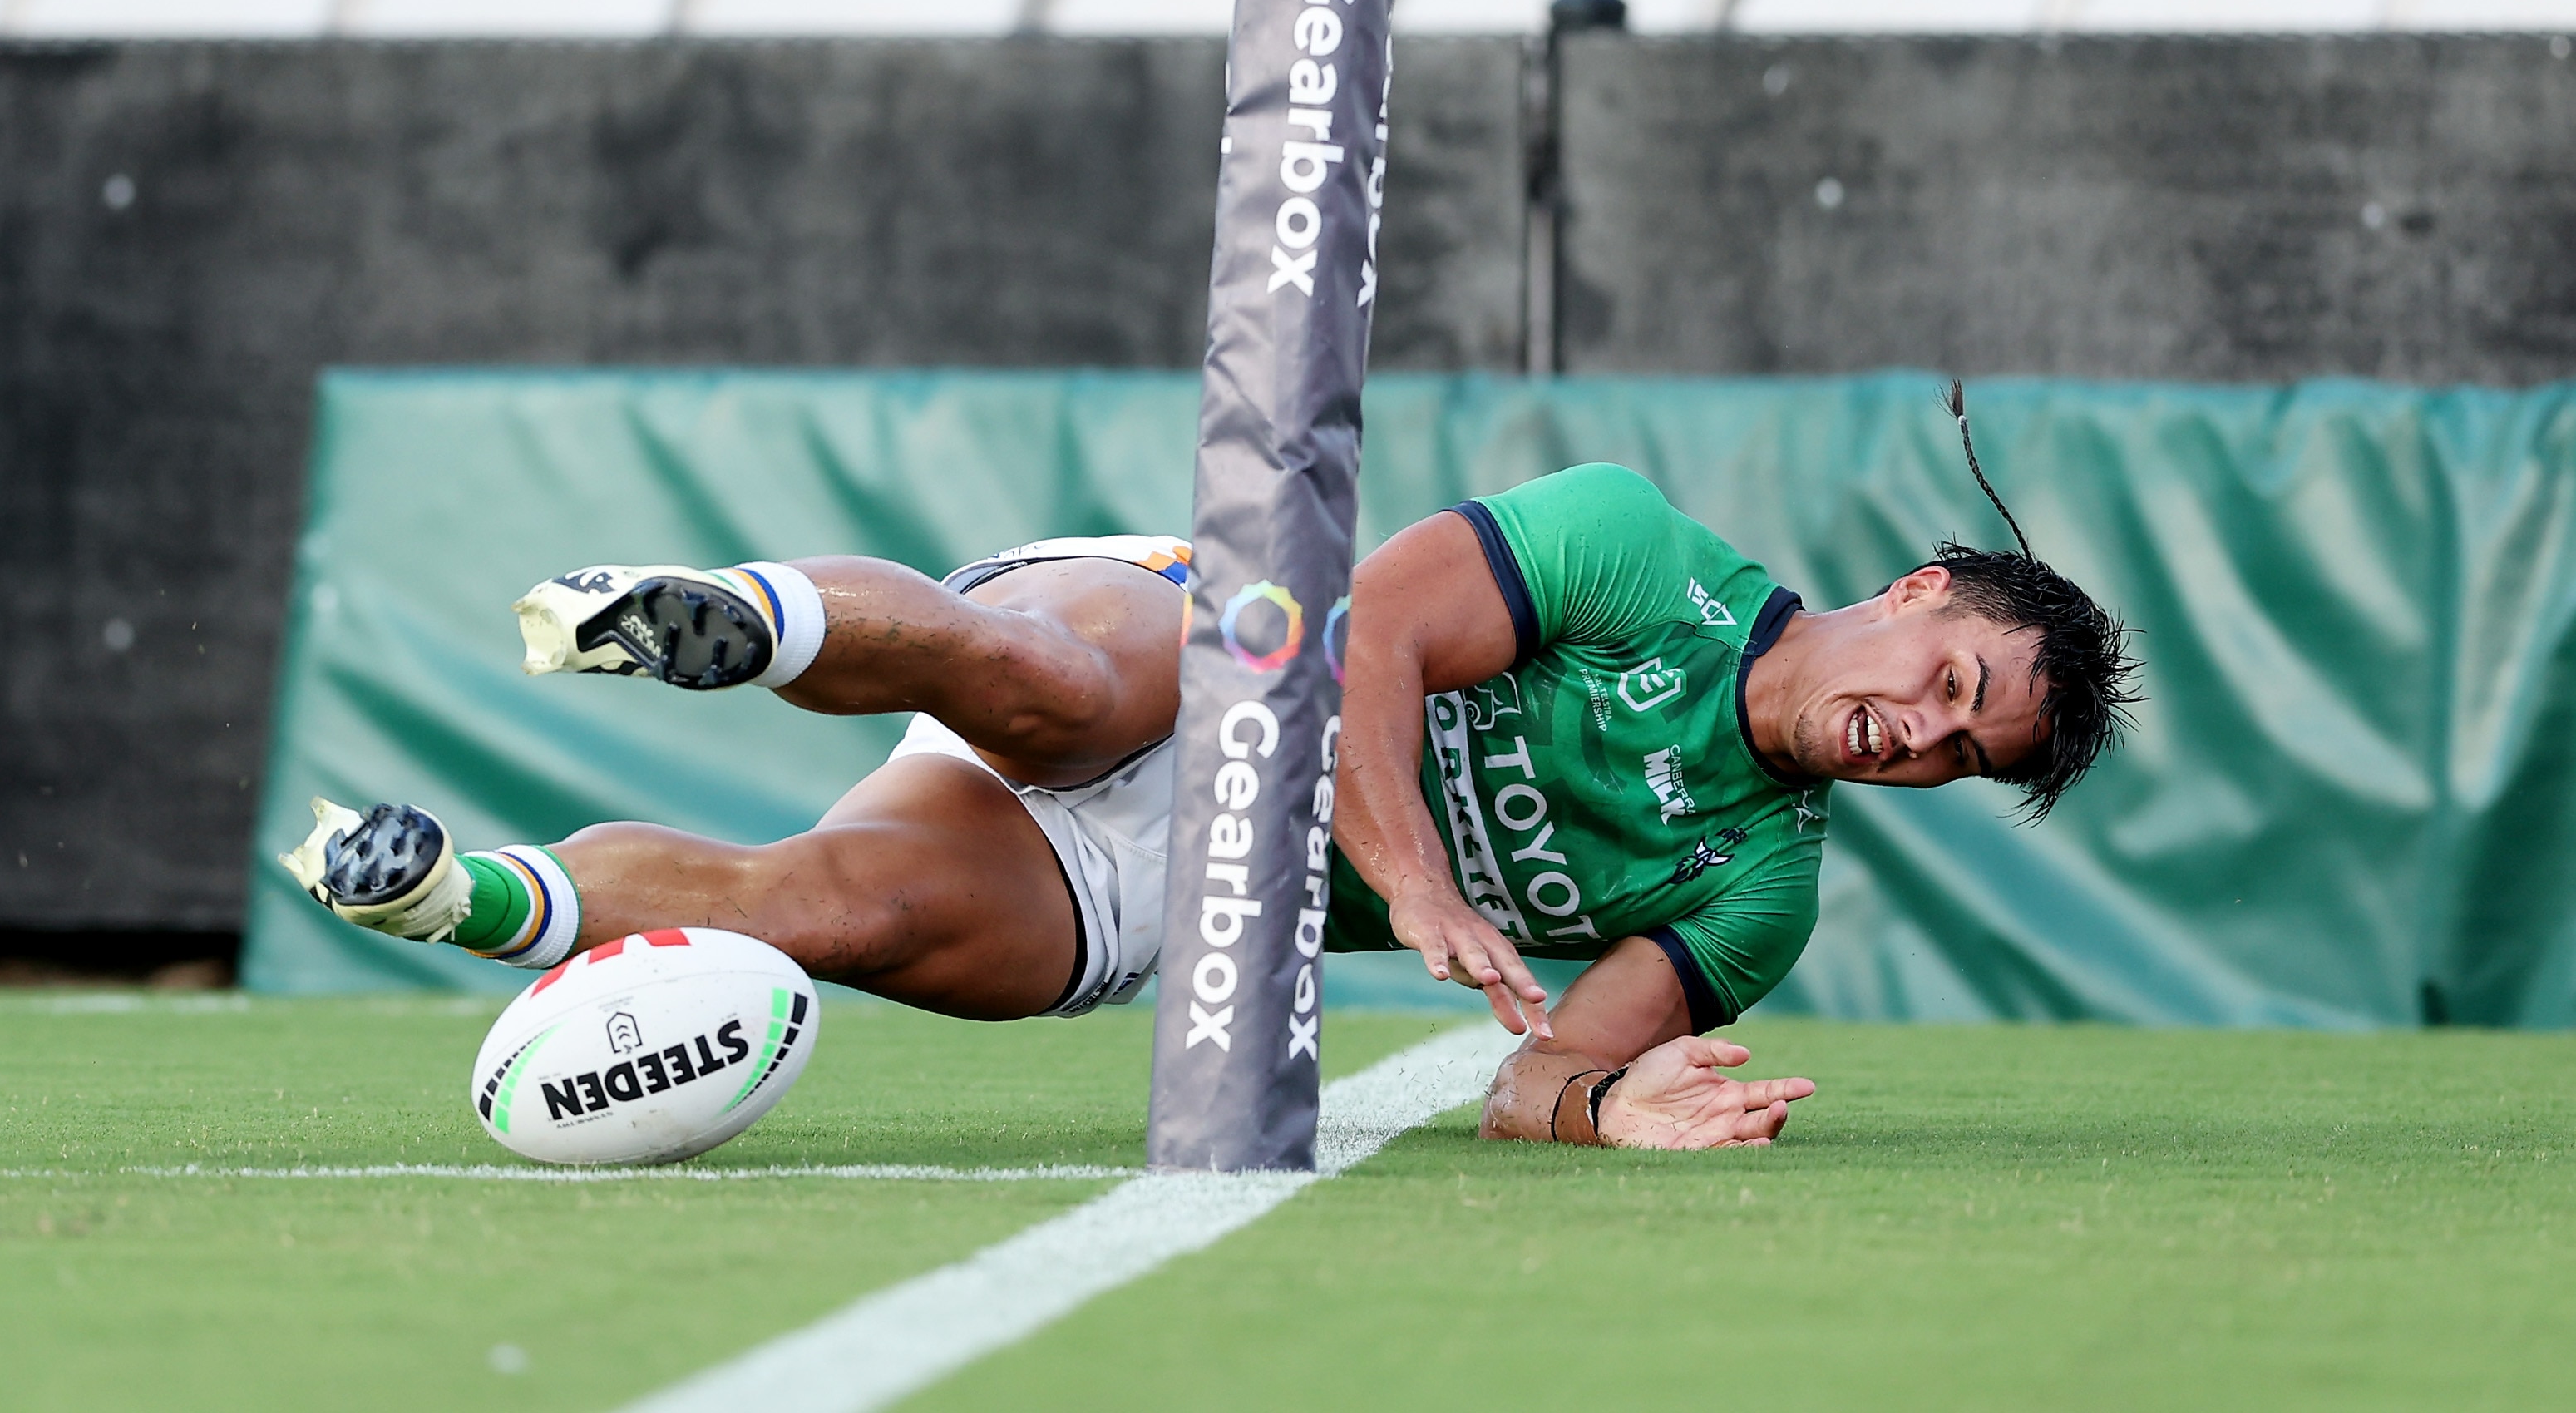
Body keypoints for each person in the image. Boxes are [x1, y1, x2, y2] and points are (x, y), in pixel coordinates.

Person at [284, 447, 2137, 1152]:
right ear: (1913, 597)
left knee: (828, 910)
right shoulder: (1643, 552)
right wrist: (1414, 885)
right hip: (1222, 645)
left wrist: (1606, 1110)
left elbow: (1535, 1075)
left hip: (1199, 884)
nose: (1926, 734)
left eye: (1965, 756)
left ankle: (469, 899)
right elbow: (1361, 641)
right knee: (1046, 684)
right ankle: (728, 619)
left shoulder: (1757, 892)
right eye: (1953, 685)